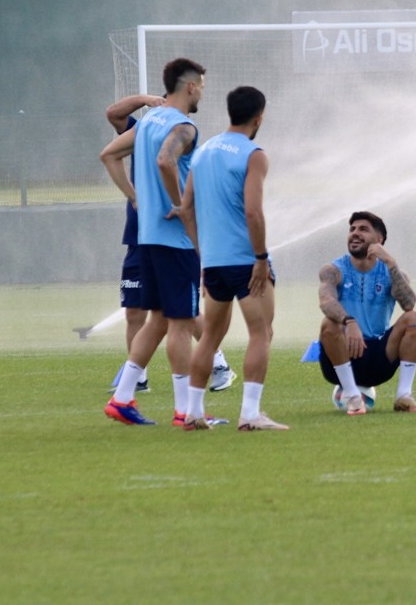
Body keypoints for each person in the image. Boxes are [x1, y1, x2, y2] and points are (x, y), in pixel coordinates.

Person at [100, 57, 209, 426]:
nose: (202, 95)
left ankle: (122, 399)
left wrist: (133, 196)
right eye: (202, 87)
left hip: (146, 238)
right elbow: (166, 161)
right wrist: (180, 205)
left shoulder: (148, 122)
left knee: (158, 321)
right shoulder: (184, 126)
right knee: (180, 323)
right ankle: (185, 411)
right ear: (190, 86)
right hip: (174, 241)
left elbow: (109, 154)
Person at [104, 94, 236, 397]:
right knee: (141, 312)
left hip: (169, 234)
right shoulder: (145, 127)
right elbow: (113, 115)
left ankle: (215, 366)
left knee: (179, 314)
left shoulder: (180, 138)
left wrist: (186, 210)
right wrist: (145, 99)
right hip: (144, 237)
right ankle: (136, 386)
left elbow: (180, 171)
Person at [181, 86, 286, 431]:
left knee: (210, 336)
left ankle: (193, 413)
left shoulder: (203, 151)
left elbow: (186, 209)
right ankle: (251, 414)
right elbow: (253, 213)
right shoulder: (254, 153)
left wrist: (203, 255)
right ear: (260, 117)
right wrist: (260, 258)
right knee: (261, 333)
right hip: (245, 259)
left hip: (213, 262)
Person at [317, 212, 416, 416]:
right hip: (341, 356)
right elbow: (326, 301)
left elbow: (409, 304)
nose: (355, 234)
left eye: (363, 229)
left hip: (378, 358)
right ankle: (352, 397)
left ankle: (404, 396)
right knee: (328, 323)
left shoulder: (393, 273)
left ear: (379, 240)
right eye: (352, 229)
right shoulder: (333, 270)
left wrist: (391, 263)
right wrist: (349, 322)